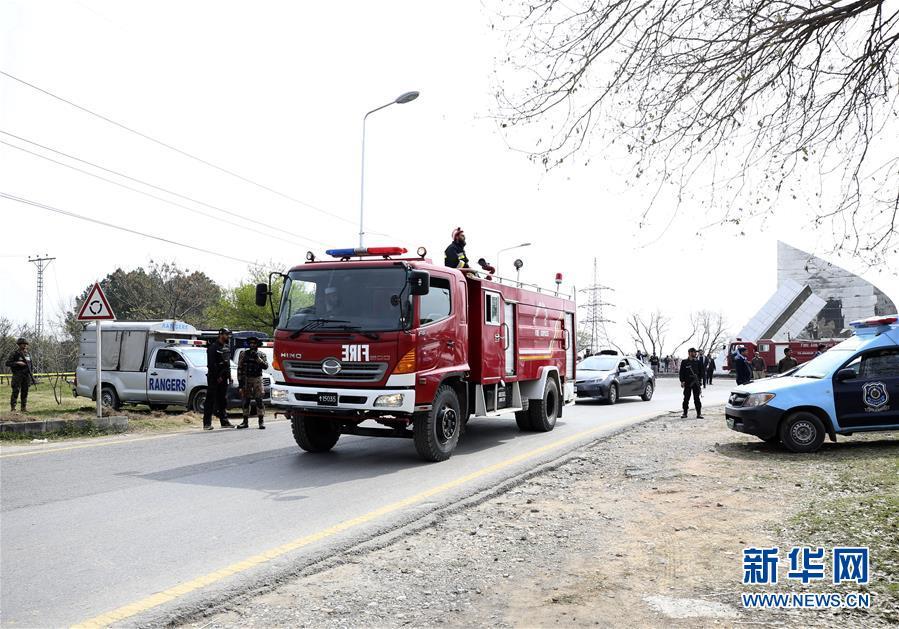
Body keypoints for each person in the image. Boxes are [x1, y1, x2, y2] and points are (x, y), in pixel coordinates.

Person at [203, 328, 234, 430]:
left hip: (224, 378)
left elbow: (227, 364)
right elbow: (211, 365)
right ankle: (207, 423)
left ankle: (224, 421)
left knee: (222, 400)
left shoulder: (226, 347)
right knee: (210, 400)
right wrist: (217, 377)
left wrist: (229, 376)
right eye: (226, 335)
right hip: (214, 378)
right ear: (221, 335)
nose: (228, 337)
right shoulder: (213, 347)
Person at [237, 337, 268, 430]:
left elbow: (265, 366)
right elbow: (240, 368)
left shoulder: (262, 355)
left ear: (257, 345)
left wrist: (257, 358)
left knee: (259, 400)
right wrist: (240, 383)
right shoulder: (243, 354)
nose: (252, 345)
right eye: (250, 343)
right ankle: (245, 421)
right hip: (247, 378)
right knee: (246, 400)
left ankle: (261, 421)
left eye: (254, 343)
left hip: (257, 379)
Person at [5, 337, 36, 413]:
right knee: (16, 391)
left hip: (26, 376)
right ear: (19, 345)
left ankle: (23, 408)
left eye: (26, 344)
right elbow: (7, 363)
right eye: (23, 344)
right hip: (17, 375)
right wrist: (17, 363)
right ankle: (13, 408)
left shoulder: (28, 354)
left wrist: (31, 374)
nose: (25, 345)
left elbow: (30, 365)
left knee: (25, 392)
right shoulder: (15, 353)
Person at [679, 348, 704, 419]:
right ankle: (685, 413)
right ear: (689, 353)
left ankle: (699, 413)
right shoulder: (684, 362)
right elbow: (681, 373)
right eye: (693, 352)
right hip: (687, 382)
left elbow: (701, 372)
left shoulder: (698, 362)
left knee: (697, 399)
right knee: (686, 398)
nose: (695, 354)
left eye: (695, 352)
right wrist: (682, 381)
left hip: (696, 383)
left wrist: (699, 381)